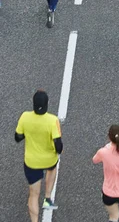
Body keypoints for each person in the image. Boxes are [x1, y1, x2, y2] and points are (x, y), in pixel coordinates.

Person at [15, 91, 63, 221]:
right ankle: (47, 198)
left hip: (31, 162)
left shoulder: (25, 117)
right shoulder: (53, 120)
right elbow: (58, 145)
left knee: (33, 195)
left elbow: (18, 137)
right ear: (47, 104)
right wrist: (58, 153)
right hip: (49, 159)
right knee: (52, 169)